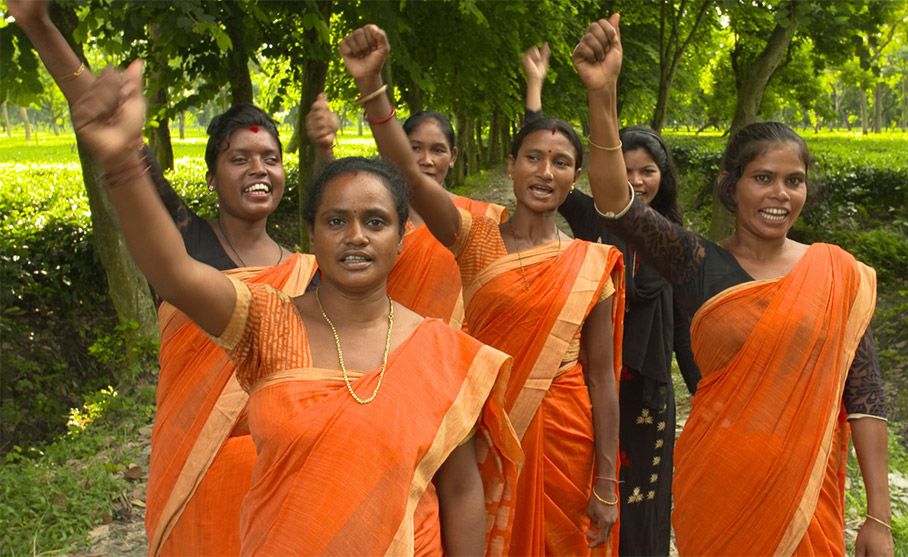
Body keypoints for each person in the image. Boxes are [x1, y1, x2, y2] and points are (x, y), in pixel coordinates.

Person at [68, 59, 521, 555]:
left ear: (400, 241)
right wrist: (121, 160)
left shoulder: (440, 351)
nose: (355, 236)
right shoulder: (268, 323)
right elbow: (174, 270)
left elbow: (459, 490)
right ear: (312, 235)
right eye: (335, 221)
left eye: (375, 222)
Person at [7, 3, 329, 555]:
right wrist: (39, 26)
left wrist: (326, 148)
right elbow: (115, 135)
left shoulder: (307, 269)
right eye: (240, 158)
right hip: (199, 484)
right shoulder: (184, 244)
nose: (259, 169)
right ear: (211, 176)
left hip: (289, 483)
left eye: (271, 158)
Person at [575, 14, 894, 556]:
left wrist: (879, 519)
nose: (780, 194)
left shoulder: (835, 273)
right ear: (732, 186)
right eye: (763, 177)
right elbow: (615, 204)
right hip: (717, 487)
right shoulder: (696, 260)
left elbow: (863, 396)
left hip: (805, 498)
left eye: (794, 181)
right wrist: (602, 98)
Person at [340, 23, 624, 555]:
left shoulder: (590, 264)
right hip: (481, 432)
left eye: (561, 162)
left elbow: (604, 378)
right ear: (512, 166)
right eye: (533, 158)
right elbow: (405, 168)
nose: (545, 171)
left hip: (566, 438)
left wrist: (606, 482)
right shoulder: (472, 236)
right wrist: (373, 87)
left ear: (576, 177)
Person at [522, 40, 693, 555]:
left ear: (664, 180)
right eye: (628, 169)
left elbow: (689, 324)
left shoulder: (671, 239)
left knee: (640, 496)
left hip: (646, 386)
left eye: (648, 171)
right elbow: (543, 155)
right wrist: (536, 85)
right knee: (588, 488)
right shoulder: (592, 217)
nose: (636, 181)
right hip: (590, 383)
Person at [308, 103, 506, 328]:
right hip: (366, 339)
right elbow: (331, 206)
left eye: (438, 150)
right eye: (415, 148)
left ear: (453, 156)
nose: (426, 160)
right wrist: (325, 149)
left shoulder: (479, 219)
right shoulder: (375, 217)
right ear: (399, 151)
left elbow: (494, 299)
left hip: (450, 349)